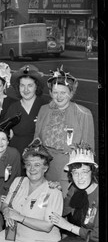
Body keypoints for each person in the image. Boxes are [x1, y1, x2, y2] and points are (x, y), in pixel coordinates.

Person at [0, 138, 63, 242]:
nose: (32, 169)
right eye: (28, 164)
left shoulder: (53, 191)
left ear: (45, 168)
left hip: (41, 240)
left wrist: (19, 217)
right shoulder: (18, 182)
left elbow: (47, 226)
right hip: (18, 234)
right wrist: (6, 212)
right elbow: (5, 204)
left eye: (37, 165)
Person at [34, 66, 95, 198]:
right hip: (45, 168)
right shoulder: (44, 110)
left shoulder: (84, 113)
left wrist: (80, 174)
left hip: (69, 170)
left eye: (63, 92)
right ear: (50, 93)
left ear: (71, 93)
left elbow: (89, 149)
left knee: (66, 206)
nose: (59, 96)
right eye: (55, 92)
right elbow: (36, 140)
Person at [50, 143, 99, 242]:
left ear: (92, 172)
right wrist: (54, 192)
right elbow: (63, 210)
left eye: (84, 171)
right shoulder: (74, 189)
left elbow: (98, 234)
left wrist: (69, 227)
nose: (80, 177)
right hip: (84, 236)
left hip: (97, 240)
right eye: (75, 173)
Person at [3, 65, 49, 156]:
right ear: (18, 87)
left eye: (30, 85)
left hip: (39, 159)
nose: (26, 89)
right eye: (22, 85)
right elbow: (4, 132)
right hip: (16, 156)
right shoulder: (13, 108)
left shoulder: (45, 106)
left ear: (36, 86)